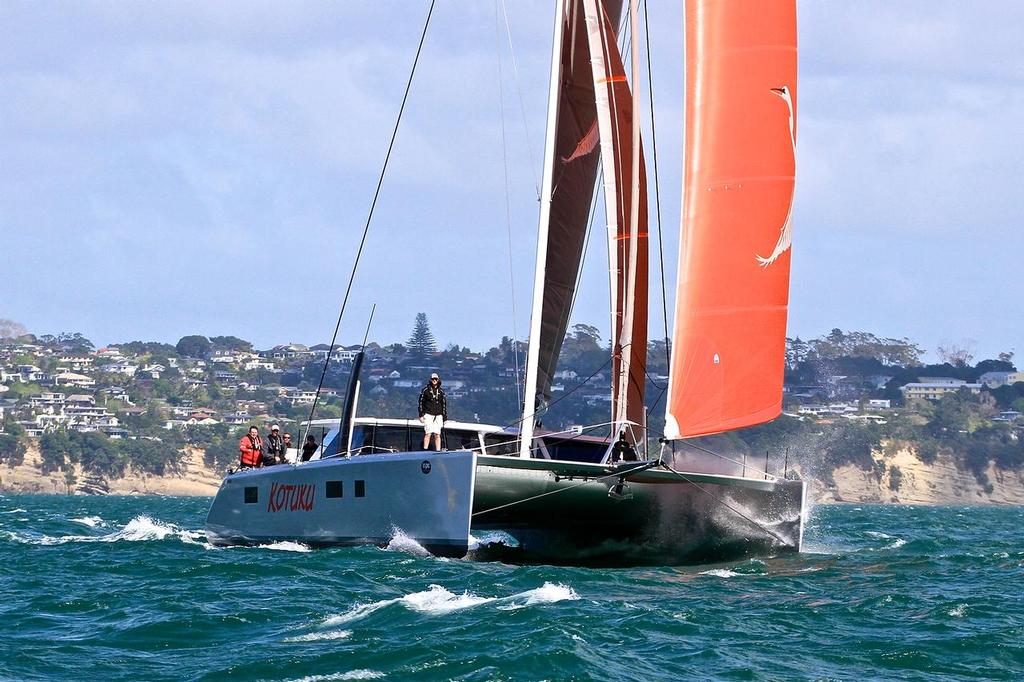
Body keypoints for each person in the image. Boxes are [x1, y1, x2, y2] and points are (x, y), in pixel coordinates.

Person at [418, 372, 447, 451]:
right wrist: (421, 415)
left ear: (438, 380)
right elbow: (421, 403)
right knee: (428, 433)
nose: (434, 380)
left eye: (436, 379)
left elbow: (444, 404)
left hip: (438, 415)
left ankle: (438, 450)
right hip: (428, 414)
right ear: (430, 380)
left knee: (437, 434)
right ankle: (425, 449)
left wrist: (444, 417)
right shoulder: (425, 390)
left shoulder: (441, 391)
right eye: (433, 379)